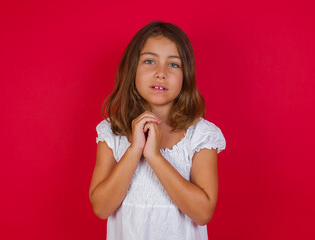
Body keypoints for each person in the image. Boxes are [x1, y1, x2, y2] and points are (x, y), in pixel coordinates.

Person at [89, 21, 226, 240]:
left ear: (186, 75)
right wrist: (135, 149)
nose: (160, 73)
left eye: (173, 64)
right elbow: (101, 208)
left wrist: (154, 157)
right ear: (133, 68)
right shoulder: (112, 132)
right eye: (150, 61)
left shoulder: (201, 135)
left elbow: (202, 213)